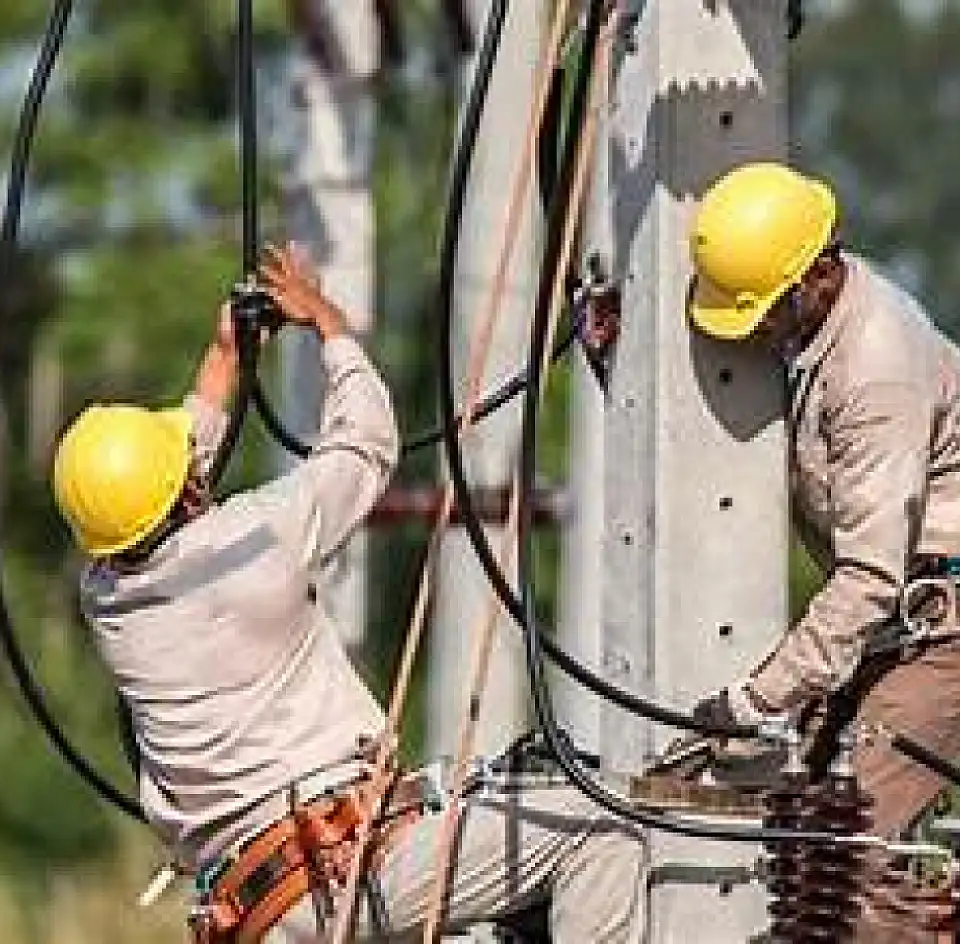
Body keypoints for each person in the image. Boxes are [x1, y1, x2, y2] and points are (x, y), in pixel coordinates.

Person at [51, 243, 647, 943]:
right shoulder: (257, 544)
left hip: (262, 910)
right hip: (347, 875)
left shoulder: (108, 599)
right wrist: (330, 326)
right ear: (184, 490)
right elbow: (365, 443)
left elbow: (171, 482)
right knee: (603, 829)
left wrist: (225, 356)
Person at [677, 161, 960, 941]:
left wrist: (758, 699)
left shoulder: (874, 365)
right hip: (901, 629)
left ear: (819, 272)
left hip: (958, 628)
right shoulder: (812, 334)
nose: (756, 331)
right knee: (806, 856)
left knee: (850, 853)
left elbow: (867, 578)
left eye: (765, 310)